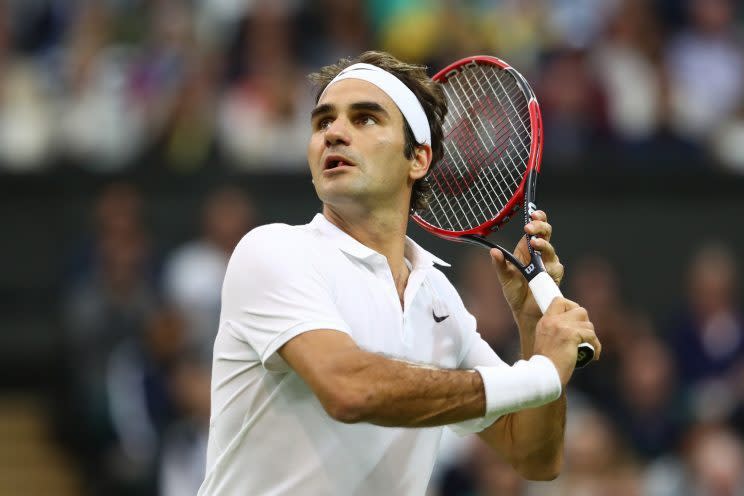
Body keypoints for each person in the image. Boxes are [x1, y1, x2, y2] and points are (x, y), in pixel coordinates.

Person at [197, 51, 601, 495]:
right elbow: (350, 390)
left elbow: (534, 457)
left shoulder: (439, 300)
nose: (334, 133)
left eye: (365, 118)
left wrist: (531, 326)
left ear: (418, 159)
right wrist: (541, 373)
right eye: (322, 122)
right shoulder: (274, 251)